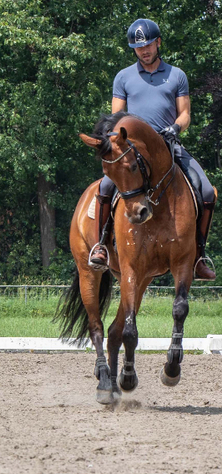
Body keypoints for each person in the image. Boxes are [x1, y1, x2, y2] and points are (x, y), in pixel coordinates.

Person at [88, 19, 215, 280]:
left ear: (158, 43)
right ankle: (101, 245)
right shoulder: (123, 77)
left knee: (206, 191)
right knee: (104, 188)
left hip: (168, 147)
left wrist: (175, 129)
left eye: (147, 45)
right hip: (131, 151)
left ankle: (199, 256)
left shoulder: (177, 75)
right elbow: (116, 119)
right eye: (138, 47)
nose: (144, 50)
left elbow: (185, 115)